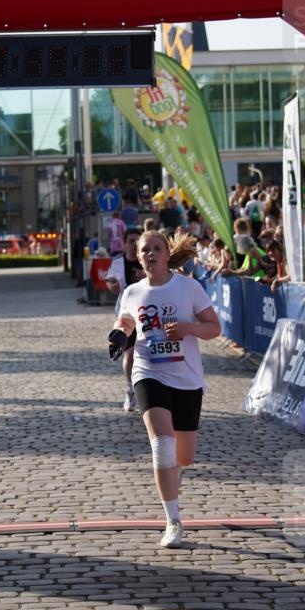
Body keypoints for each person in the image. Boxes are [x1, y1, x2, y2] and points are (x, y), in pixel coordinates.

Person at [107, 230, 221, 548]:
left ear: (167, 254)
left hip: (186, 379)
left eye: (157, 248)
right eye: (145, 250)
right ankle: (173, 521)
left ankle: (173, 476)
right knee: (162, 444)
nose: (151, 254)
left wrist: (188, 328)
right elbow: (126, 322)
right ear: (138, 257)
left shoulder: (188, 287)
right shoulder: (132, 292)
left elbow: (214, 327)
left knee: (184, 456)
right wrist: (118, 334)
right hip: (148, 372)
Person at [104, 228, 145, 411]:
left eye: (138, 241)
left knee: (146, 354)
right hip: (126, 314)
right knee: (130, 354)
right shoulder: (118, 262)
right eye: (131, 241)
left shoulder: (147, 260)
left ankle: (145, 389)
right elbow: (110, 280)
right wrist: (112, 286)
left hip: (147, 313)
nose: (134, 245)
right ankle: (130, 389)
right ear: (125, 243)